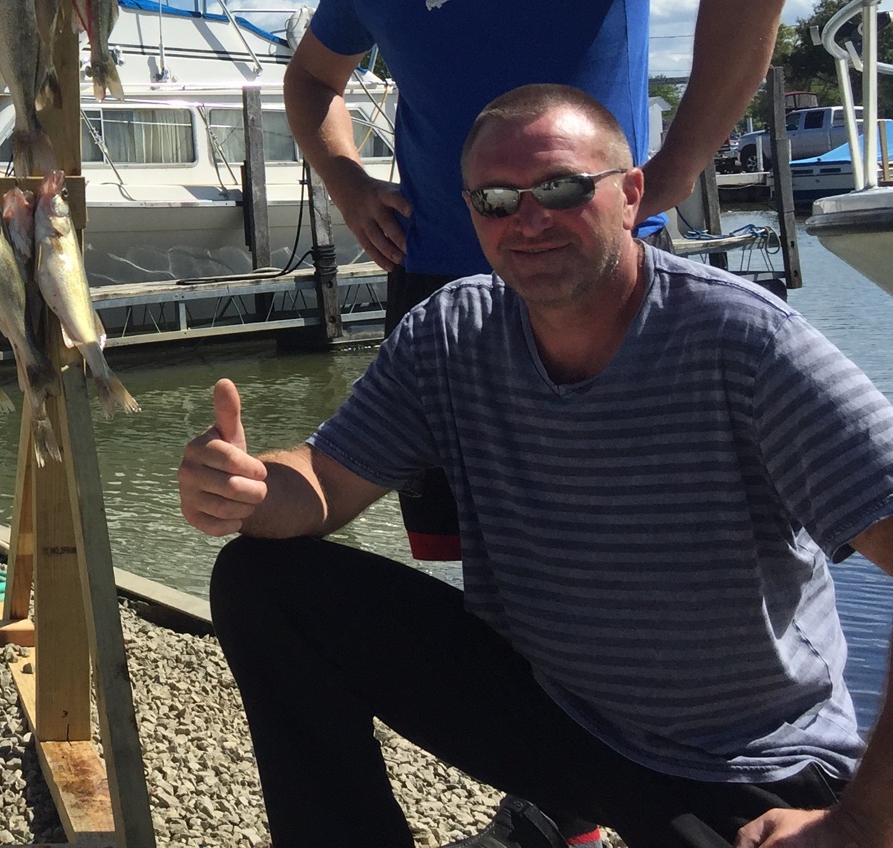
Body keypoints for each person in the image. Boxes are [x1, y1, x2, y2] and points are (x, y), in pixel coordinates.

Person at [181, 84, 893, 848]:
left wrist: (860, 822)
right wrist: (250, 488)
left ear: (630, 194)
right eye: (494, 199)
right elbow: (325, 479)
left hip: (731, 759)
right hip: (554, 710)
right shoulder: (452, 332)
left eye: (559, 188)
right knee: (264, 583)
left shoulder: (747, 345)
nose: (527, 219)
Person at [287, 0, 791, 554]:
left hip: (597, 260)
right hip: (441, 279)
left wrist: (674, 170)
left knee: (649, 532)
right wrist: (348, 183)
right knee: (471, 546)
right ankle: (497, 697)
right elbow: (310, 81)